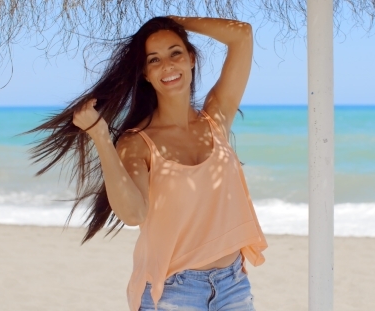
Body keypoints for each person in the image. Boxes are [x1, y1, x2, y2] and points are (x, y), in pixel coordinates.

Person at [27, 16, 267, 311]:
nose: (167, 65)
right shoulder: (137, 143)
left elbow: (241, 34)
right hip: (174, 291)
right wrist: (101, 137)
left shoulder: (215, 119)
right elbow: (133, 213)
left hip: (233, 285)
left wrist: (169, 22)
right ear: (146, 74)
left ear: (191, 58)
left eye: (175, 52)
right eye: (154, 60)